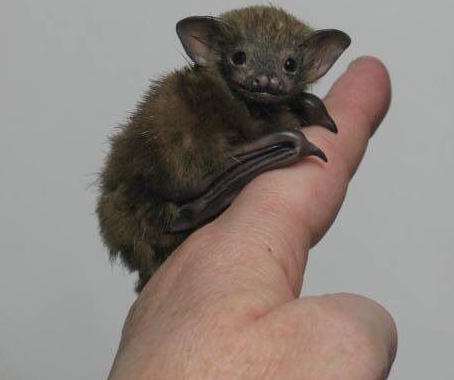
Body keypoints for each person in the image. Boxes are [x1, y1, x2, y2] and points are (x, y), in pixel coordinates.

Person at [107, 57, 397, 379]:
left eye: (288, 65)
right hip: (153, 213)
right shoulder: (195, 108)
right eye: (242, 60)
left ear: (314, 64)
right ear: (208, 51)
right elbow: (181, 175)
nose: (266, 80)